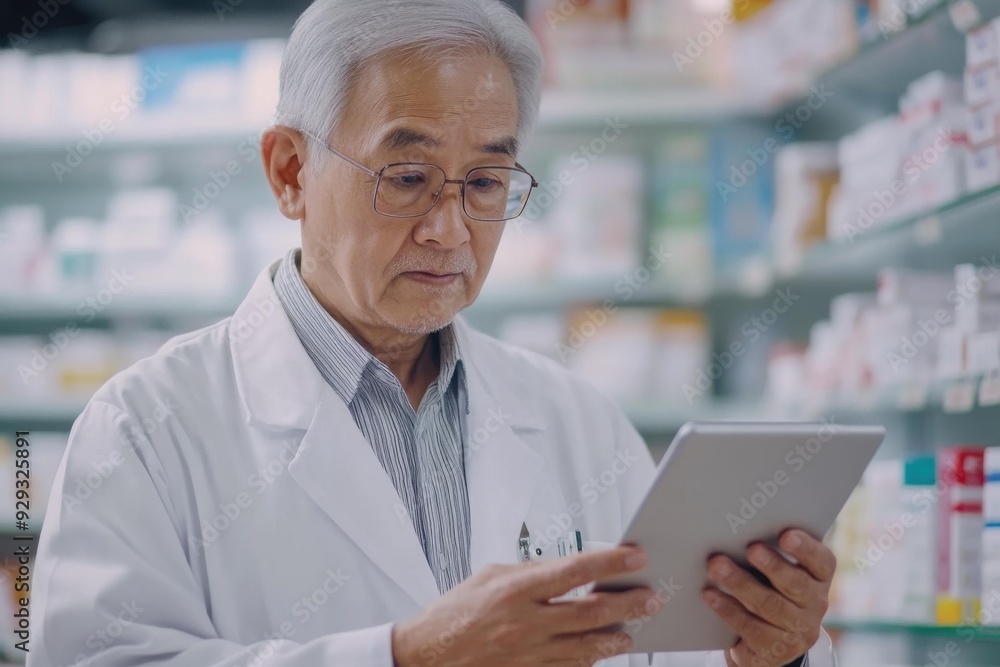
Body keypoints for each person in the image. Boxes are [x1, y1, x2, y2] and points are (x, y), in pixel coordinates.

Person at [30, 1, 835, 665]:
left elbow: (659, 652)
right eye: (407, 177)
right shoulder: (147, 427)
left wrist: (769, 648)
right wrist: (403, 655)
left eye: (485, 181)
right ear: (290, 172)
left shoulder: (575, 421)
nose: (450, 230)